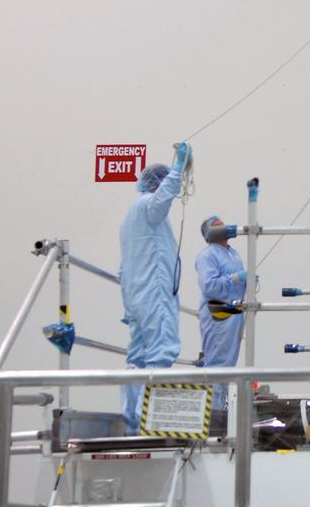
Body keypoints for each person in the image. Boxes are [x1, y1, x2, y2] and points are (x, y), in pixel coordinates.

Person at [118, 142, 189, 433]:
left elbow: (124, 266)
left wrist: (127, 305)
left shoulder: (130, 217)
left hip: (135, 296)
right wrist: (180, 167)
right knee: (161, 351)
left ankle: (133, 420)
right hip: (154, 292)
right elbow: (165, 195)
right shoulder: (149, 208)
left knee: (137, 358)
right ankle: (149, 419)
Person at [195, 215, 247, 411]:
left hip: (234, 310)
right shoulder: (208, 255)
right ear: (209, 234)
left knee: (227, 364)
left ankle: (220, 409)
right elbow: (209, 286)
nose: (223, 227)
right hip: (217, 310)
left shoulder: (232, 253)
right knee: (217, 362)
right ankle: (213, 414)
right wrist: (235, 278)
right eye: (217, 226)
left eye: (222, 223)